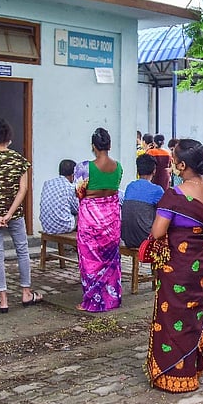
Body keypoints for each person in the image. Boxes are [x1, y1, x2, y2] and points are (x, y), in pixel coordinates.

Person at [145, 139, 203, 392]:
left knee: (173, 313)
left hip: (180, 266)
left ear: (182, 164)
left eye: (174, 158)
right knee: (195, 312)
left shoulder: (175, 195)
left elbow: (157, 232)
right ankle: (190, 368)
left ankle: (174, 374)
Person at [0, 119, 39, 313]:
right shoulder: (19, 160)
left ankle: (3, 299)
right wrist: (9, 213)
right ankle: (26, 292)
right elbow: (23, 189)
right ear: (9, 138)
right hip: (16, 214)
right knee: (22, 251)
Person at [75, 128, 124, 312]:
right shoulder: (118, 167)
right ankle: (112, 300)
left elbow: (79, 193)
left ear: (93, 146)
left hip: (90, 220)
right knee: (110, 260)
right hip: (112, 219)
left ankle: (91, 302)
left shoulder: (84, 167)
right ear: (109, 145)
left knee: (90, 261)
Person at [121, 155, 165, 248]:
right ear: (154, 171)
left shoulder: (130, 186)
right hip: (145, 239)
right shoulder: (157, 190)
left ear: (138, 170)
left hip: (127, 238)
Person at [39, 159, 79, 235]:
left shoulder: (47, 183)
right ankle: (78, 244)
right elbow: (77, 208)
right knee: (82, 214)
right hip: (63, 227)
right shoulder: (70, 187)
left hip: (46, 226)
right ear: (73, 175)